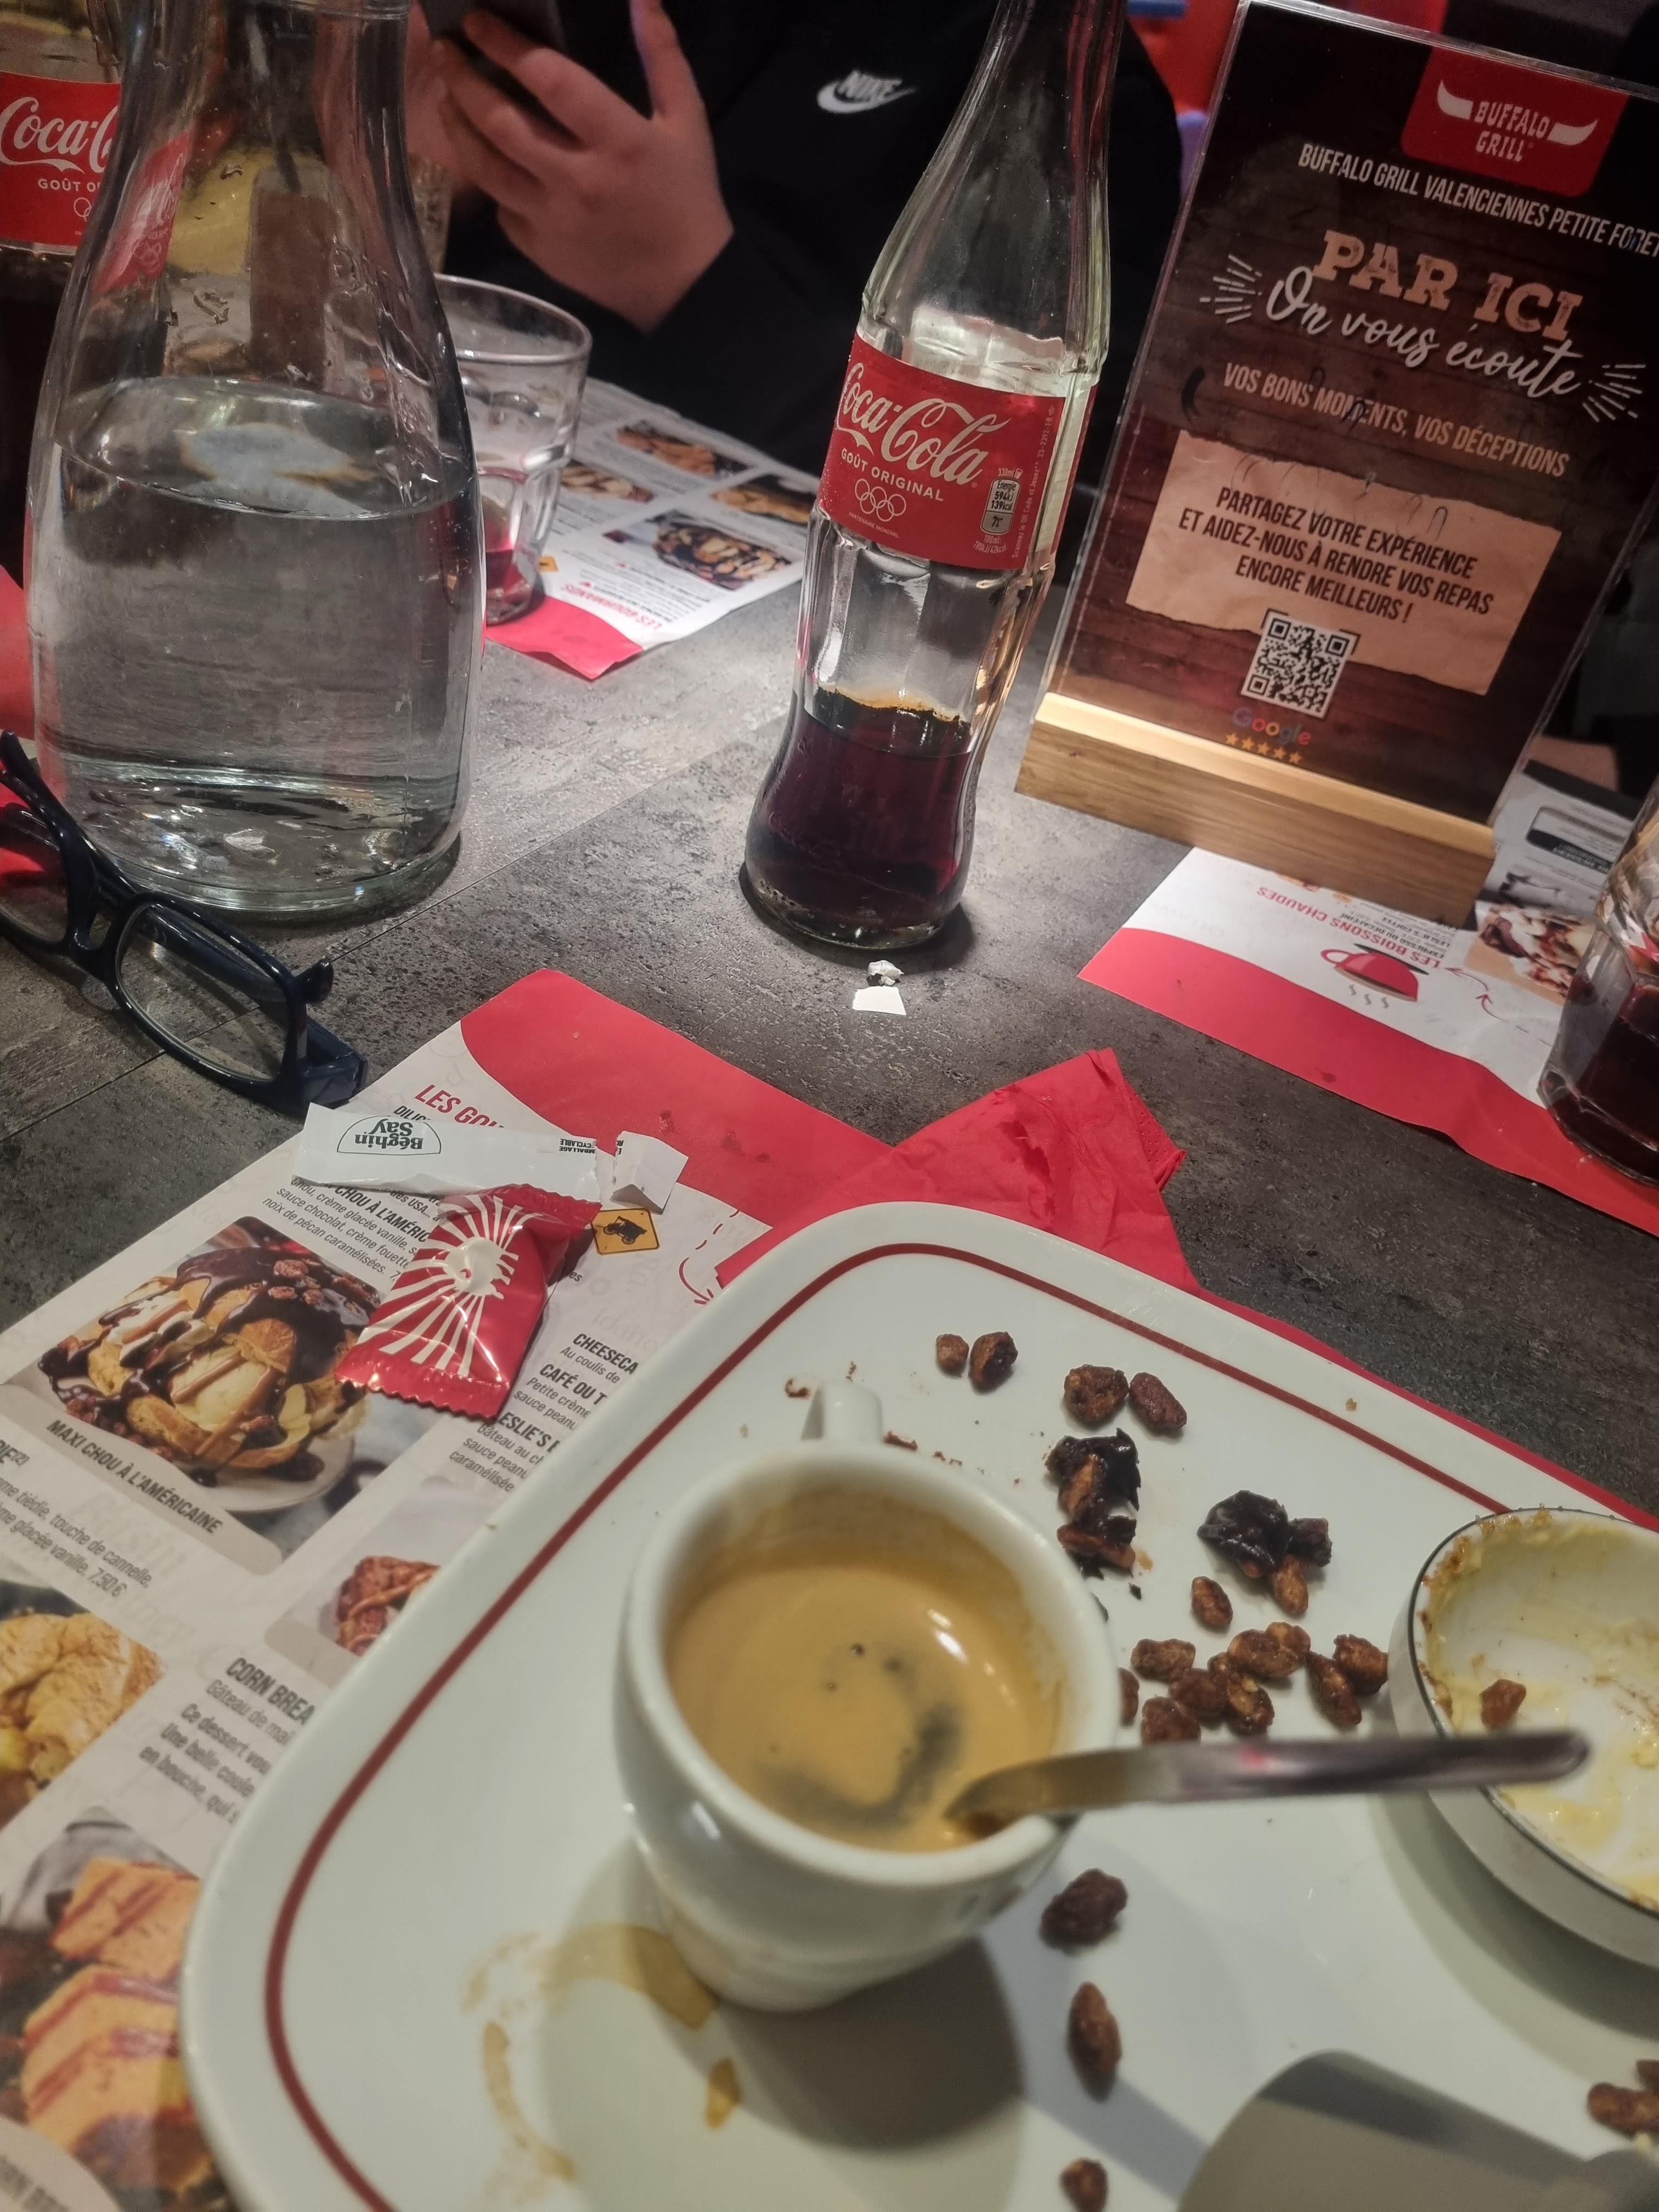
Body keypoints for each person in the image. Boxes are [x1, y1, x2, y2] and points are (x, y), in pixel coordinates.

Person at [409, 0, 1183, 475]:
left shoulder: (1066, 81)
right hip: (495, 458)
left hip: (804, 599)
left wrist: (684, 280)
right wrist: (455, 165)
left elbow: (1030, 480)